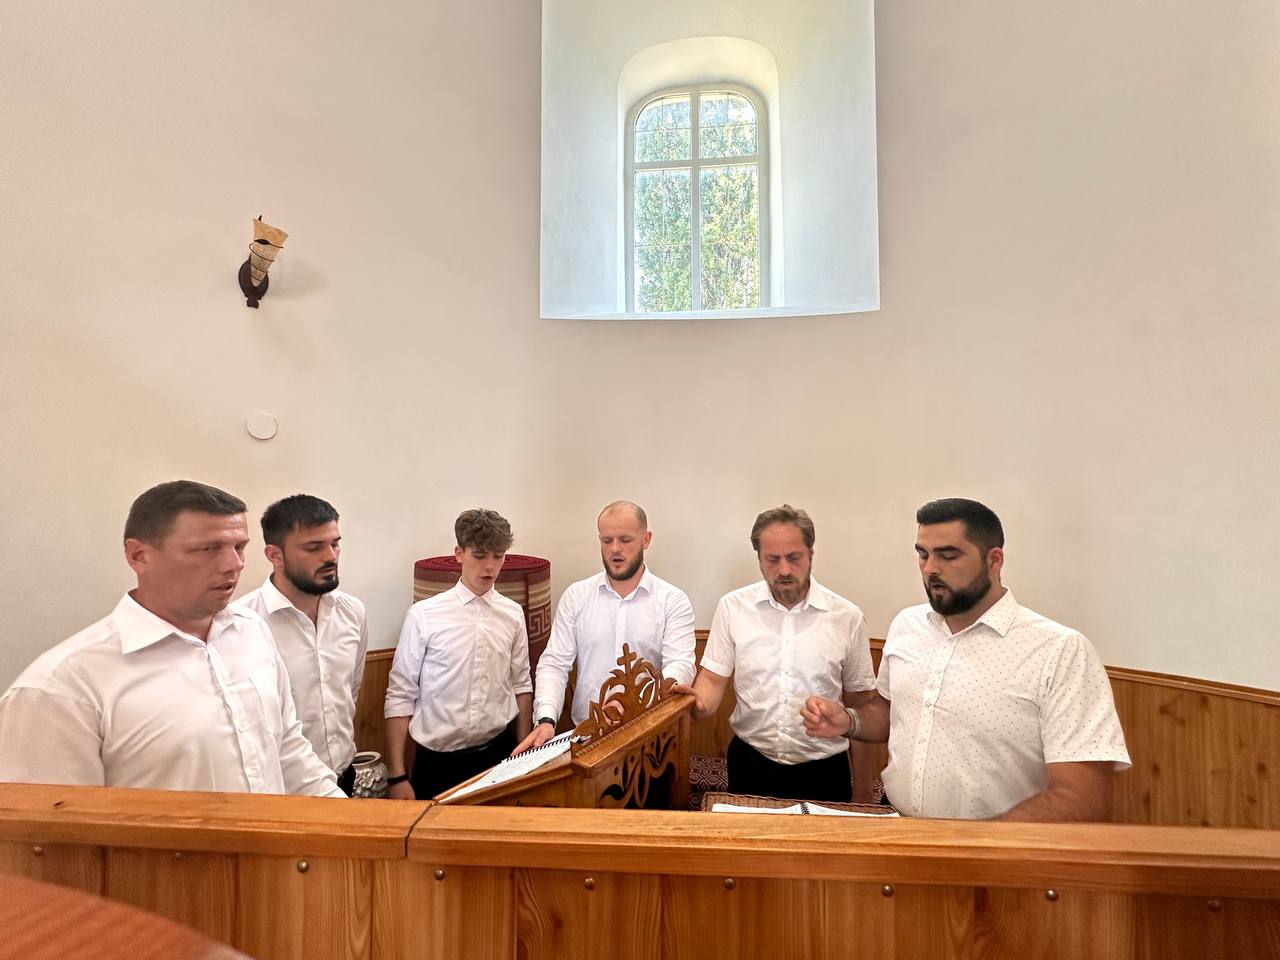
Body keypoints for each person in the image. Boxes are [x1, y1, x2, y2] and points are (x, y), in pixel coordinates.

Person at [0, 480, 344, 796]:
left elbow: (289, 752)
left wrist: (351, 822)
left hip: (274, 843)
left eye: (239, 547)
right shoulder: (62, 687)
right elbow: (50, 833)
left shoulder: (251, 631)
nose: (234, 564)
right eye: (208, 549)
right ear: (139, 556)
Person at [801, 498, 1131, 821]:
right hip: (900, 827)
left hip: (996, 848)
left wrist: (977, 845)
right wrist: (850, 721)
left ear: (994, 560)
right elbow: (889, 711)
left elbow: (1081, 798)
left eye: (948, 555)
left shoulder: (1060, 651)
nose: (930, 568)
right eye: (923, 554)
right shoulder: (907, 625)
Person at [677, 505, 875, 803]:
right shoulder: (733, 607)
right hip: (751, 764)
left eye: (794, 557)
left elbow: (861, 708)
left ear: (811, 554)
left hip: (824, 770)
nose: (784, 570)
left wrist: (863, 790)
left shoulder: (847, 617)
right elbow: (713, 680)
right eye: (772, 559)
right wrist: (697, 703)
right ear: (759, 559)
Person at [513, 501, 696, 754]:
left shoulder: (672, 601)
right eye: (606, 540)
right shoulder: (577, 596)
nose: (615, 549)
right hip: (587, 739)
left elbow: (680, 663)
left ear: (646, 540)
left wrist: (633, 702)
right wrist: (546, 719)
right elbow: (555, 663)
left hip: (650, 737)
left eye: (625, 540)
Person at [383, 509, 532, 800]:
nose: (489, 566)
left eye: (498, 556)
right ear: (459, 554)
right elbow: (400, 694)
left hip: (498, 755)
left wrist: (525, 758)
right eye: (480, 555)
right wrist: (397, 775)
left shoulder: (513, 614)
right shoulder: (424, 615)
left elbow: (521, 685)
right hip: (437, 762)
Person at [236, 494, 368, 795]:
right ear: (275, 555)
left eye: (335, 544)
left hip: (343, 776)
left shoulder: (352, 612)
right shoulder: (242, 624)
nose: (331, 557)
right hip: (283, 789)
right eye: (313, 547)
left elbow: (350, 691)